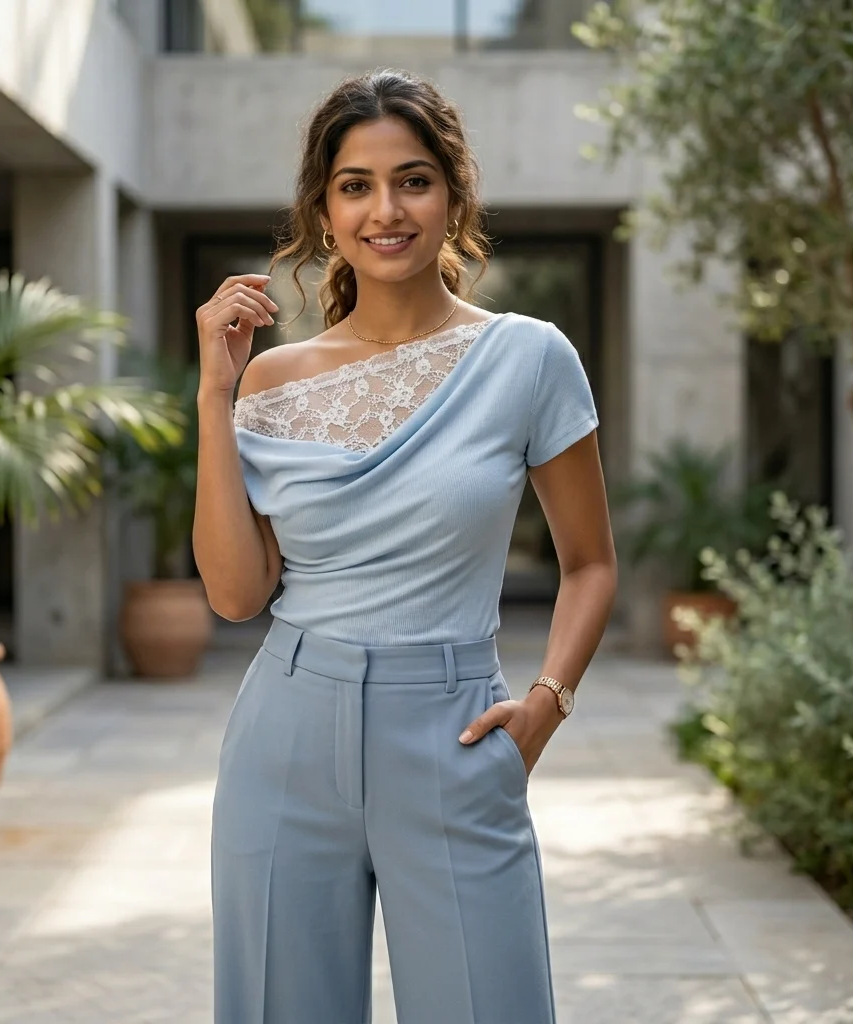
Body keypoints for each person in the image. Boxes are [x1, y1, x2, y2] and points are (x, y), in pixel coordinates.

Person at [193, 67, 617, 1024]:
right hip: (286, 732)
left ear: (454, 194)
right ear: (324, 209)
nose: (386, 209)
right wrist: (214, 398)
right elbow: (233, 593)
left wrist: (547, 704)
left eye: (413, 179)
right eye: (356, 185)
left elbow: (590, 561)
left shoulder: (529, 358)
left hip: (454, 730)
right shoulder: (269, 382)